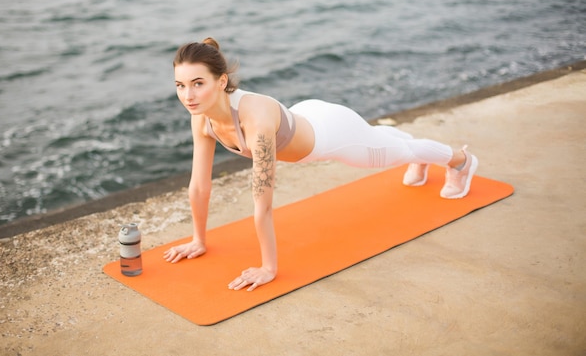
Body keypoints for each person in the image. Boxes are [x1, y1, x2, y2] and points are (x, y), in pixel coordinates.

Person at [163, 37, 478, 291]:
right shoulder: (203, 119)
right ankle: (414, 155)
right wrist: (198, 240)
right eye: (180, 85)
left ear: (221, 82)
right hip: (306, 116)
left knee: (394, 153)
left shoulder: (254, 119)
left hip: (333, 135)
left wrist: (268, 268)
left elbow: (263, 202)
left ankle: (460, 160)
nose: (188, 95)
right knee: (386, 143)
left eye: (197, 83)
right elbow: (200, 185)